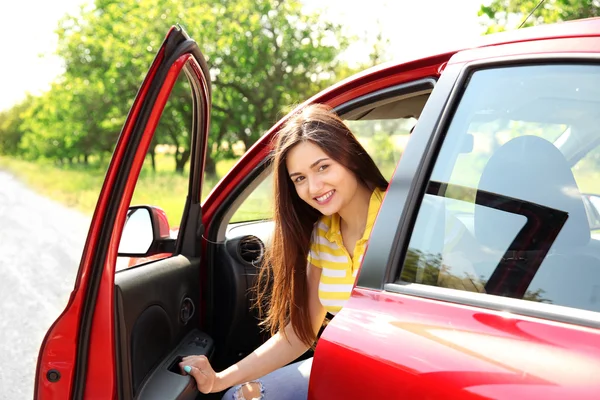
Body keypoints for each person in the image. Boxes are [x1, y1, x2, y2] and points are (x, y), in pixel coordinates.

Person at [180, 103, 388, 400]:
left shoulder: (408, 219)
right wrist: (219, 379)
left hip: (398, 374)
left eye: (323, 167)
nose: (314, 187)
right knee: (238, 397)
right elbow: (300, 334)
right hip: (347, 366)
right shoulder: (324, 234)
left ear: (350, 157)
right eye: (299, 178)